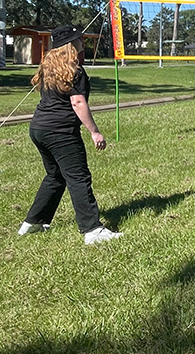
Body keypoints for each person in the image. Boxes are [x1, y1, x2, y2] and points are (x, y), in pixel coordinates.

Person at [18, 25, 123, 245]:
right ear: (69, 45)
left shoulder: (48, 68)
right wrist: (95, 132)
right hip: (60, 132)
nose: (81, 43)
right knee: (78, 177)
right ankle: (92, 229)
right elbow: (77, 102)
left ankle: (33, 222)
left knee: (55, 176)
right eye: (78, 40)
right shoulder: (75, 70)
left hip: (38, 129)